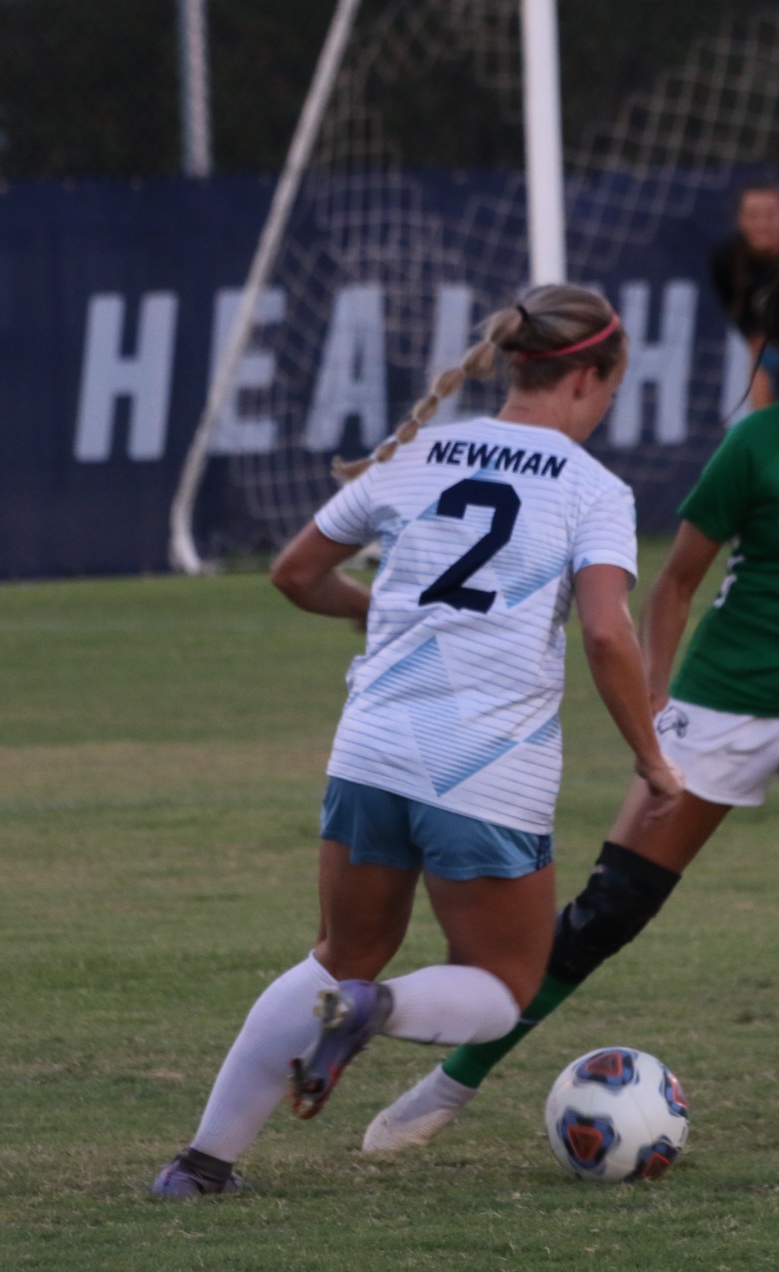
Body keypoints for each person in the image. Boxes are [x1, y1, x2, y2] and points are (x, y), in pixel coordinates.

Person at [364, 245, 779, 1150]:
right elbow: (675, 580)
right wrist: (655, 697)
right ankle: (450, 1084)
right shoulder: (757, 446)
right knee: (610, 910)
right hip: (725, 699)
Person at [151, 285, 684, 1197]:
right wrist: (650, 755)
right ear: (592, 376)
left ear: (517, 363)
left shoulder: (423, 451)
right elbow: (605, 632)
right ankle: (376, 1011)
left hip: (371, 753)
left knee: (337, 952)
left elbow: (295, 573)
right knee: (505, 984)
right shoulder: (593, 489)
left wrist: (388, 614)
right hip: (484, 769)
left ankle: (201, 1165)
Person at [708, 178, 779, 409]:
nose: (762, 224)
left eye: (770, 214)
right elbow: (734, 307)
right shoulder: (726, 260)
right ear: (741, 221)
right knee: (762, 412)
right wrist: (754, 336)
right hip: (767, 347)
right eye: (753, 216)